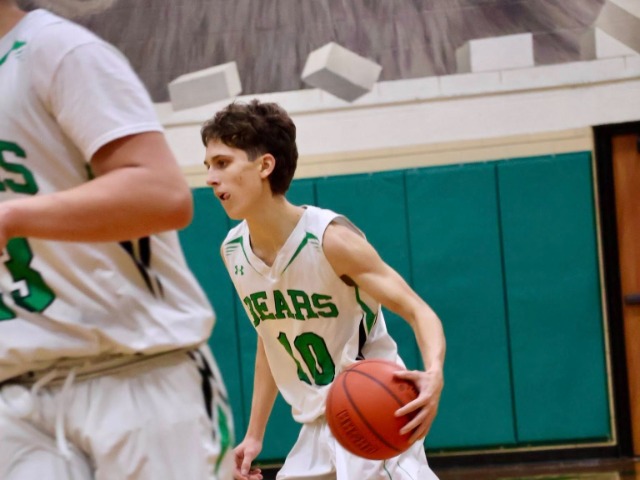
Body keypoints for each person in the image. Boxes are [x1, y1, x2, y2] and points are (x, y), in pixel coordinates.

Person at [0, 2, 233, 479]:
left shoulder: (57, 51)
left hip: (139, 375)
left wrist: (12, 216)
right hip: (17, 396)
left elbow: (163, 194)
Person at [201, 99, 446, 480]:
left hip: (373, 405)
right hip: (318, 423)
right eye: (208, 166)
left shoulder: (331, 241)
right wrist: (253, 436)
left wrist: (433, 373)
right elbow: (271, 337)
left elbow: (419, 311)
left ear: (265, 166)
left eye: (222, 163)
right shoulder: (232, 251)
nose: (210, 178)